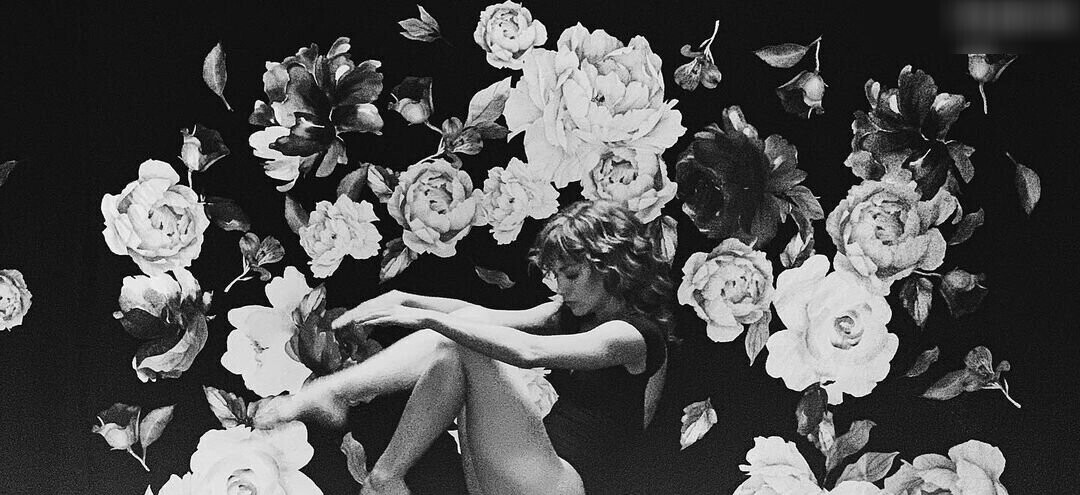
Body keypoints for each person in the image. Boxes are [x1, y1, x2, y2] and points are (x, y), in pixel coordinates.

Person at [253, 200, 674, 495]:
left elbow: (528, 351)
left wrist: (427, 320)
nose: (561, 287)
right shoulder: (574, 314)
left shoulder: (635, 336)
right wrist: (405, 299)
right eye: (557, 275)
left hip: (557, 485)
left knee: (462, 341)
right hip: (513, 478)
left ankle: (334, 400)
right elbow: (481, 314)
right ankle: (383, 477)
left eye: (572, 275)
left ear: (610, 266)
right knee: (458, 346)